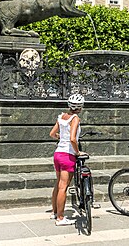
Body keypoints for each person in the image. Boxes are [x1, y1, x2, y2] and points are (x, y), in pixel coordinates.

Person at [49, 93, 86, 226]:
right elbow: (72, 139)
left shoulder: (61, 116)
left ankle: (54, 212)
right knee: (63, 187)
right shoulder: (75, 118)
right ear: (80, 107)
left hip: (58, 153)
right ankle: (60, 218)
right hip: (67, 155)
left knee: (58, 184)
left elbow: (52, 134)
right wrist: (77, 152)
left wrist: (61, 137)